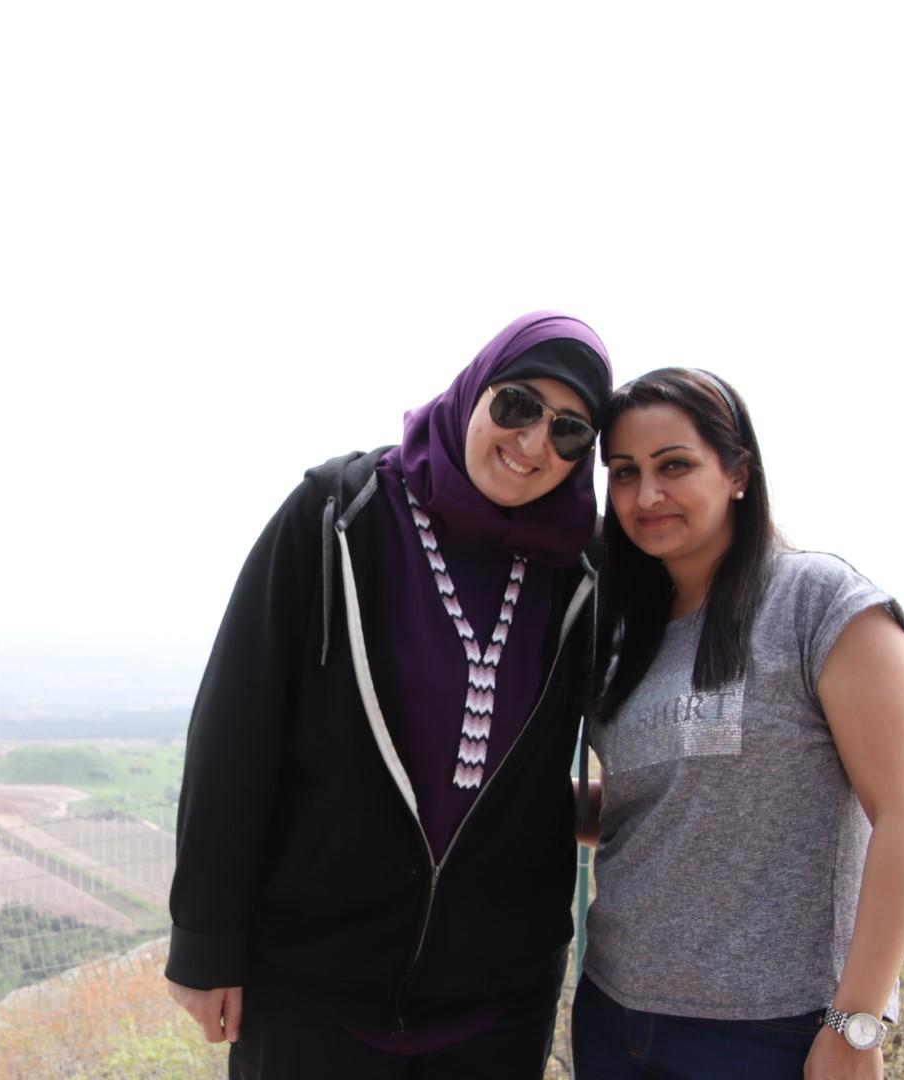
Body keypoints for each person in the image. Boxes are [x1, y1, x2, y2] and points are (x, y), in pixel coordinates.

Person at [165, 312, 613, 1079]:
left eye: (570, 431)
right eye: (517, 405)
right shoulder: (340, 514)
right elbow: (237, 727)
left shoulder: (580, 566)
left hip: (499, 998)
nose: (535, 442)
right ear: (474, 390)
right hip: (313, 983)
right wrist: (204, 941)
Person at [571, 368, 904, 1079]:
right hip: (614, 1014)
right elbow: (655, 805)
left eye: (674, 466)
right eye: (624, 473)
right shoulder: (620, 635)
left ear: (738, 472)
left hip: (769, 1031)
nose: (646, 496)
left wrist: (856, 1022)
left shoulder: (820, 604)